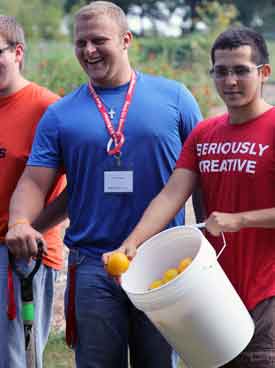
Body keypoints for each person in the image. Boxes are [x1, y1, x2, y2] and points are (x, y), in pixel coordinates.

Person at [5, 2, 203, 367]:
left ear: (126, 40)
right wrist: (19, 222)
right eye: (81, 43)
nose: (89, 51)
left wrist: (211, 250)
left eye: (99, 40)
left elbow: (202, 177)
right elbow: (34, 181)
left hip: (161, 261)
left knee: (159, 363)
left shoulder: (176, 99)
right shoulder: (61, 114)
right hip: (92, 264)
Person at [104, 27, 275, 367]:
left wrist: (240, 219)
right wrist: (132, 243)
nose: (230, 81)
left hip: (265, 294)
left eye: (241, 70)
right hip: (206, 291)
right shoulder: (204, 133)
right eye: (221, 71)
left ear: (263, 73)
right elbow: (170, 196)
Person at [0, 16, 65, 368]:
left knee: (15, 360)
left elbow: (77, 186)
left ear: (18, 52)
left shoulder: (48, 109)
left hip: (19, 256)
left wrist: (27, 229)